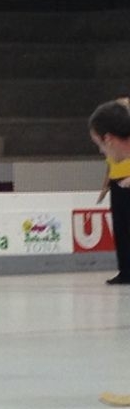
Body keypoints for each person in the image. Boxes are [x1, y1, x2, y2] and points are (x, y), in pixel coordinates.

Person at [91, 98, 130, 285]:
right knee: (121, 229)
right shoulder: (115, 156)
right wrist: (106, 185)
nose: (101, 150)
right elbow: (110, 165)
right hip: (119, 182)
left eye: (100, 144)